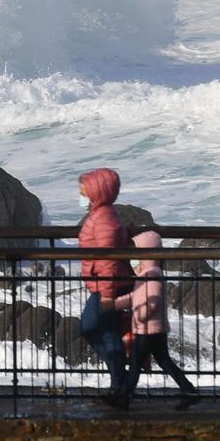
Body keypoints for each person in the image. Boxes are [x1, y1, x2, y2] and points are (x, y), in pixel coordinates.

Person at [112, 229, 201, 404]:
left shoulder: (151, 275)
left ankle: (123, 397)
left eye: (136, 255)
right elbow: (134, 297)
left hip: (148, 328)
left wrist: (140, 317)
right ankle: (189, 391)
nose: (133, 260)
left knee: (136, 364)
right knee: (164, 362)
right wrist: (115, 304)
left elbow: (153, 301)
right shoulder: (146, 275)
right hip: (155, 328)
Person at [75, 167, 133, 406]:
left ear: (97, 191)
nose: (81, 194)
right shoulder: (101, 214)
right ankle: (118, 384)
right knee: (106, 333)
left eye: (84, 190)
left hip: (108, 286)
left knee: (92, 328)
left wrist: (108, 294)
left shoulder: (104, 218)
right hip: (105, 284)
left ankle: (120, 383)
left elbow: (108, 258)